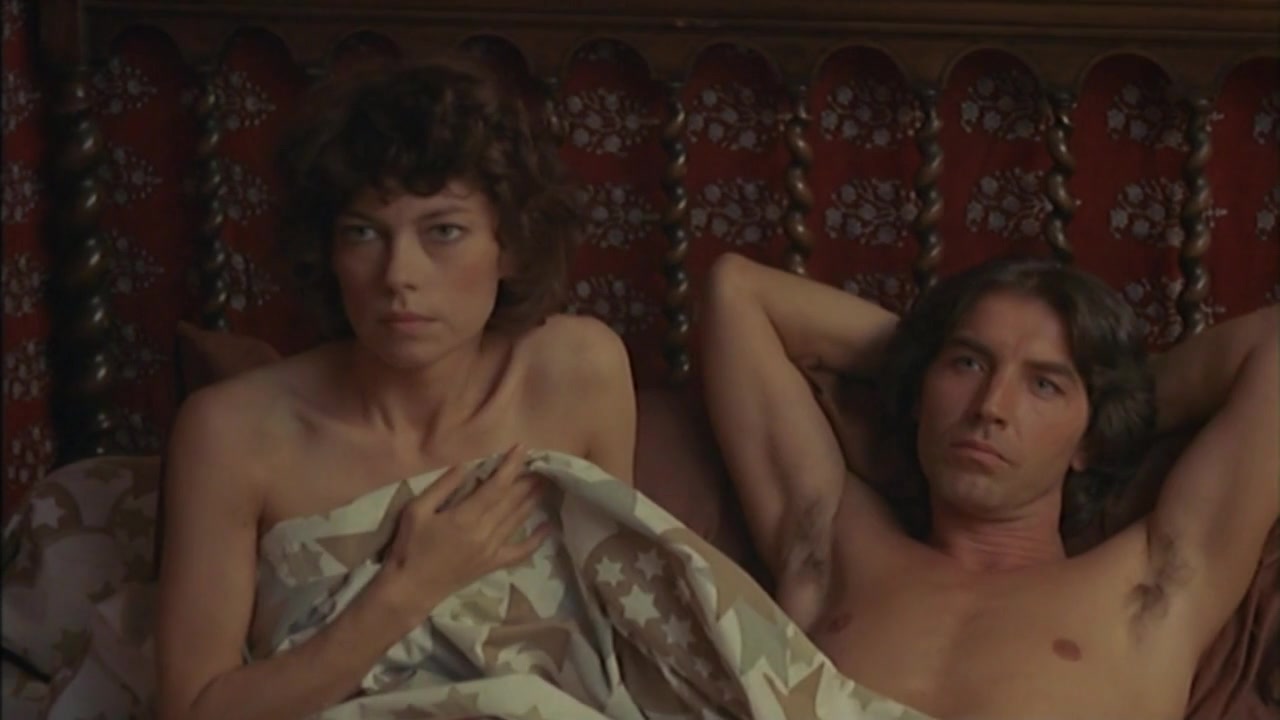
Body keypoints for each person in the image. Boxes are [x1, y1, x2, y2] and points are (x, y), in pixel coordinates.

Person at [154, 58, 636, 720]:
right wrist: (406, 591)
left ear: (511, 246)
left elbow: (629, 636)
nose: (398, 275)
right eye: (363, 233)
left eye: (444, 231)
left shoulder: (579, 374)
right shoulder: (232, 433)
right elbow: (192, 712)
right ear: (328, 252)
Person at [701, 252, 1278, 720]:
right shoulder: (835, 547)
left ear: (1091, 437)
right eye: (968, 364)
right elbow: (738, 291)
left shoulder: (1150, 588)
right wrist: (916, 360)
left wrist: (1117, 407)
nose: (990, 407)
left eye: (1044, 385)